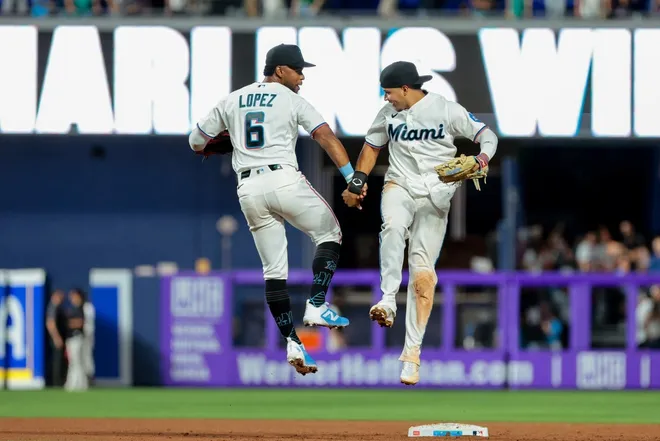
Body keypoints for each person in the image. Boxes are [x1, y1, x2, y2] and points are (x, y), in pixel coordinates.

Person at [189, 44, 354, 376]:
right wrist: (352, 178)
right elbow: (325, 137)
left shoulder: (231, 99)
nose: (302, 77)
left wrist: (228, 140)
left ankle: (292, 342)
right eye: (298, 70)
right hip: (282, 178)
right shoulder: (290, 99)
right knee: (330, 233)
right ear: (279, 70)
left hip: (248, 189)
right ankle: (317, 305)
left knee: (274, 272)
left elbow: (196, 142)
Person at [342, 61, 498, 385]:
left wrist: (482, 159)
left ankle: (411, 353)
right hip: (399, 183)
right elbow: (372, 145)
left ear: (405, 88)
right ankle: (386, 300)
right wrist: (359, 178)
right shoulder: (388, 115)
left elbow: (487, 136)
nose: (386, 99)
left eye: (388, 92)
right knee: (393, 228)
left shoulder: (445, 109)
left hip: (437, 193)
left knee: (423, 275)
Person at [64, 288, 88, 391]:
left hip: (77, 338)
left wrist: (68, 323)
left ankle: (81, 385)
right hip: (71, 338)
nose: (72, 298)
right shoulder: (73, 308)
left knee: (77, 362)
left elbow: (80, 322)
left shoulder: (80, 308)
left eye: (73, 296)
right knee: (73, 362)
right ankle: (72, 384)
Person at [45, 290, 66, 387]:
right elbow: (50, 324)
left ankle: (58, 381)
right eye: (60, 298)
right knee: (57, 361)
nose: (61, 300)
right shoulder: (53, 308)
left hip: (58, 338)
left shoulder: (57, 308)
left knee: (59, 360)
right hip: (56, 339)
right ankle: (56, 382)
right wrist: (56, 338)